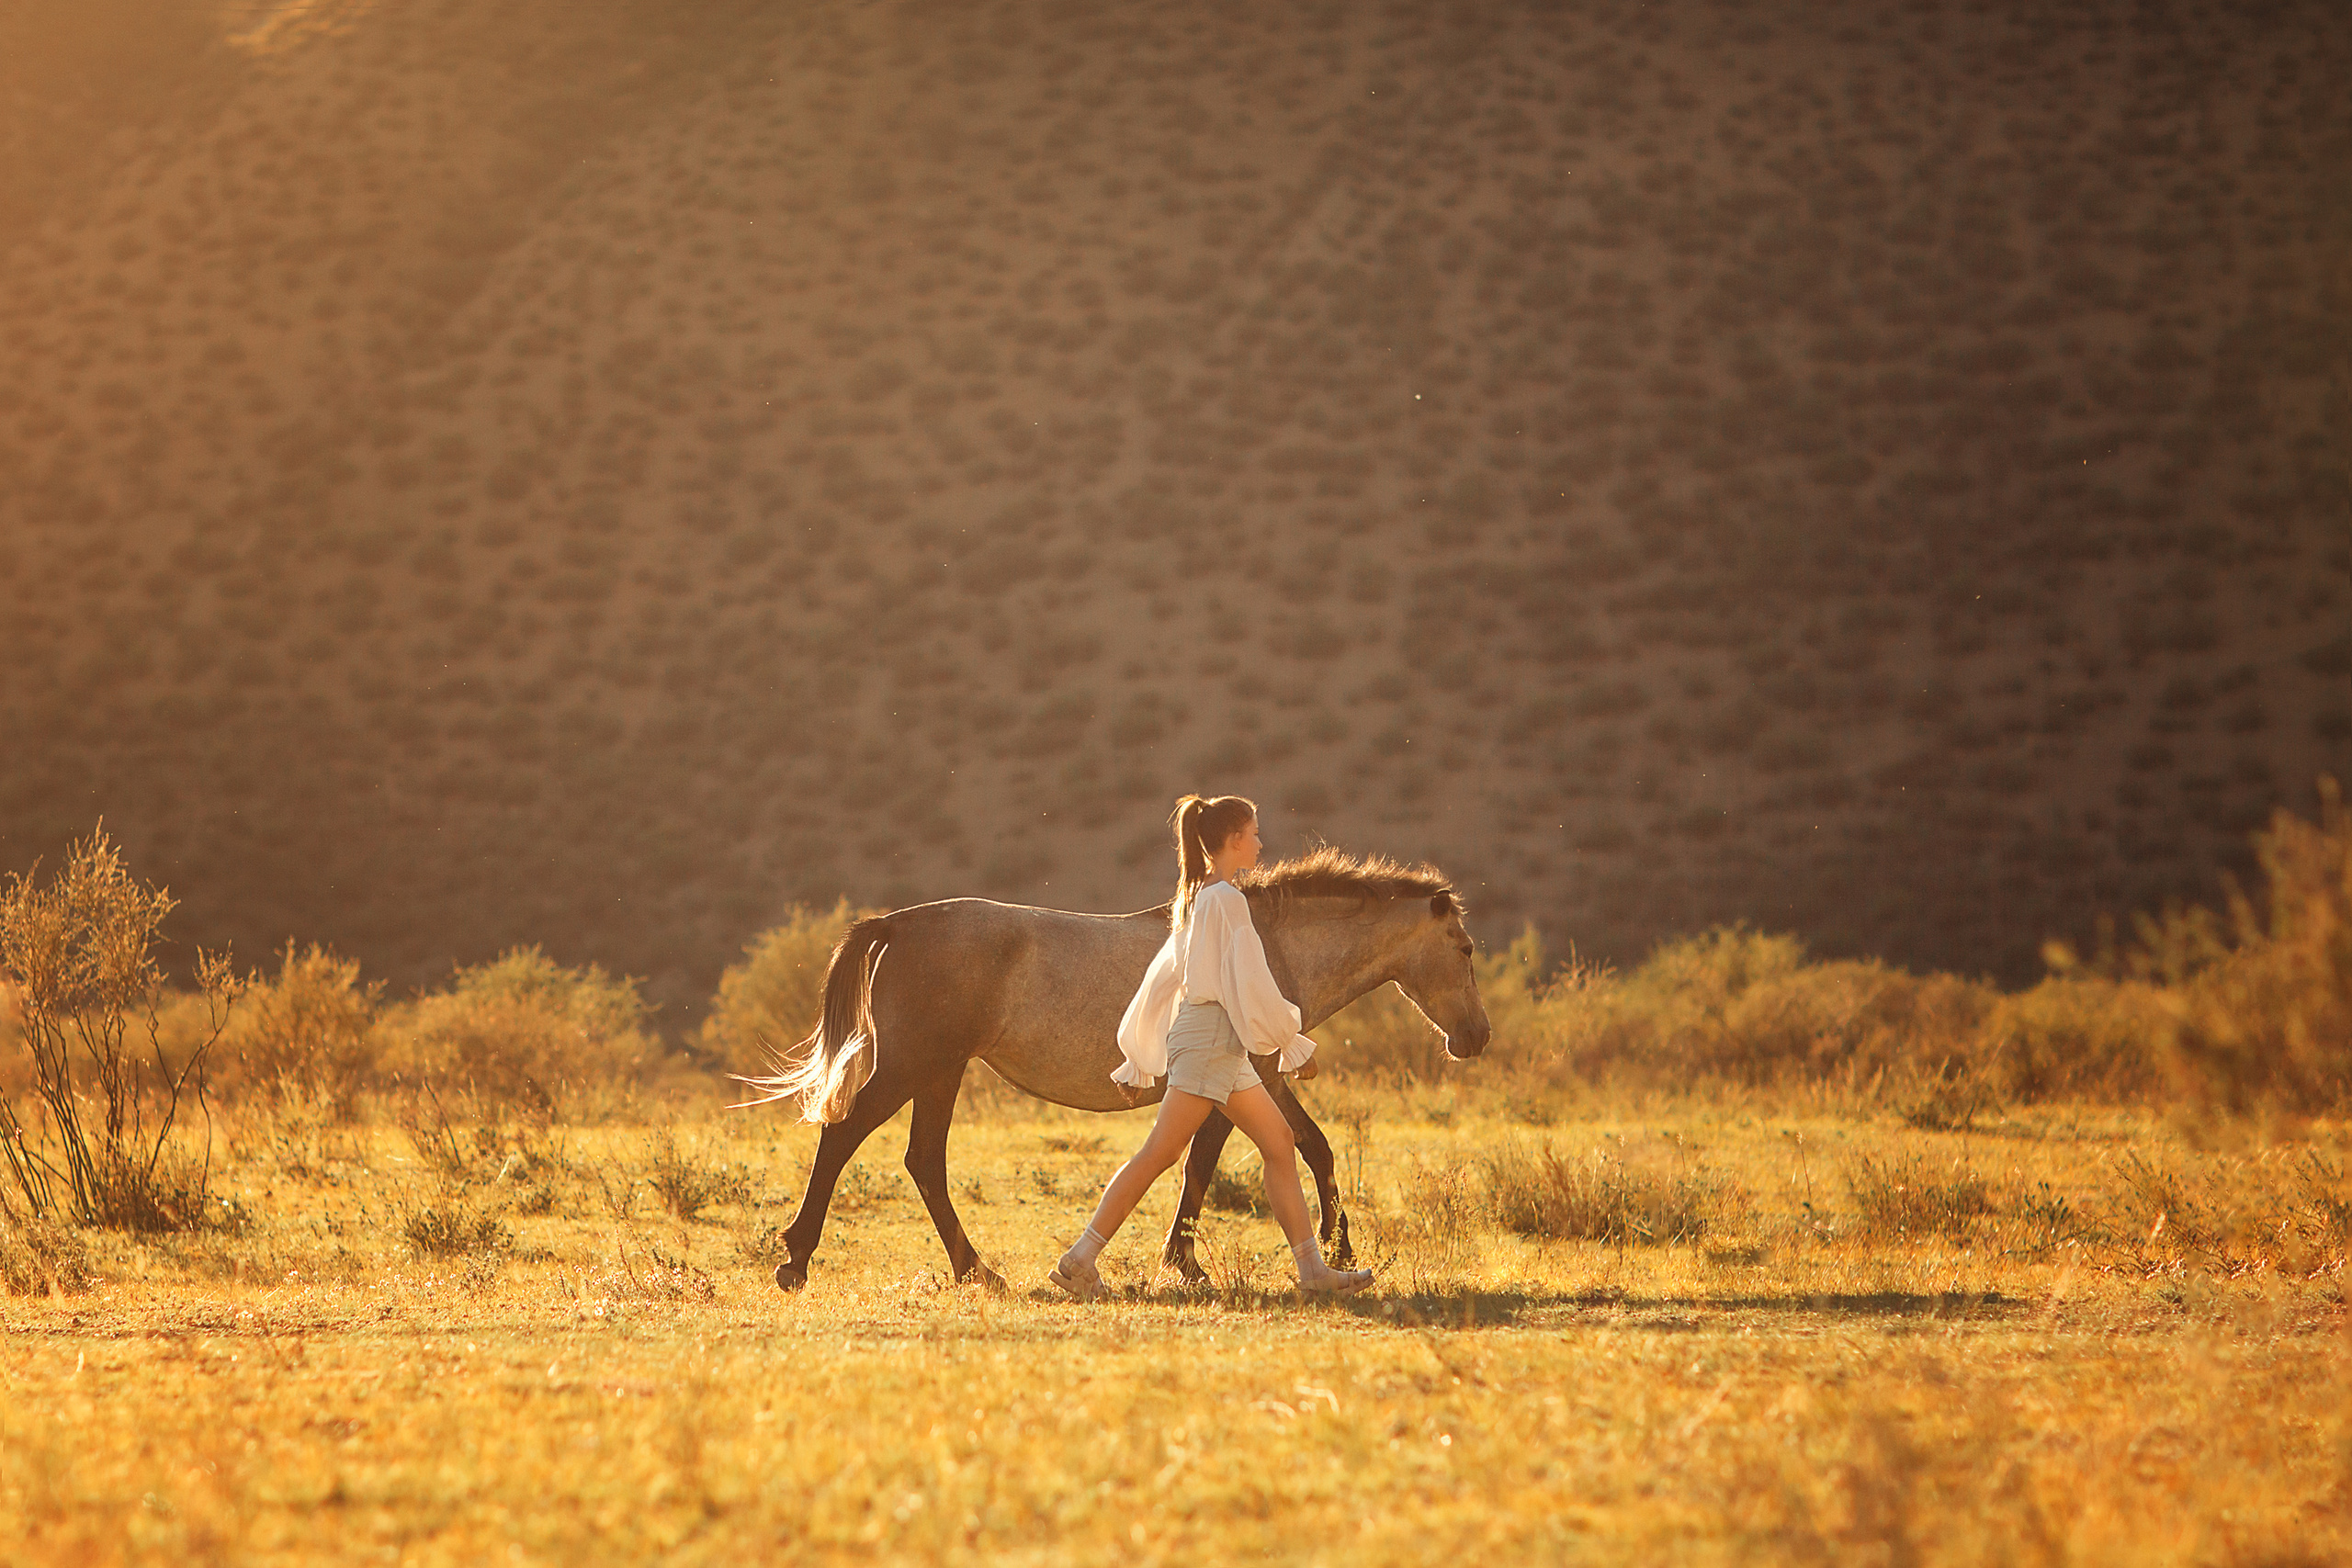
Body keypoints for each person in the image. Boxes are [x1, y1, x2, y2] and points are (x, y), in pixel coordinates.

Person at [1049, 794, 1374, 1300]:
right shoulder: (1226, 900)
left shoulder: (1201, 895)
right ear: (1235, 840)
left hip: (1220, 1046)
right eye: (1256, 833)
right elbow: (1250, 981)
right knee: (1159, 1153)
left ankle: (1313, 1273)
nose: (1262, 842)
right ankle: (1079, 1260)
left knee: (1280, 1144)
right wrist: (1293, 1042)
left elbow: (1168, 976)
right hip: (1210, 1044)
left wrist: (1142, 1052)